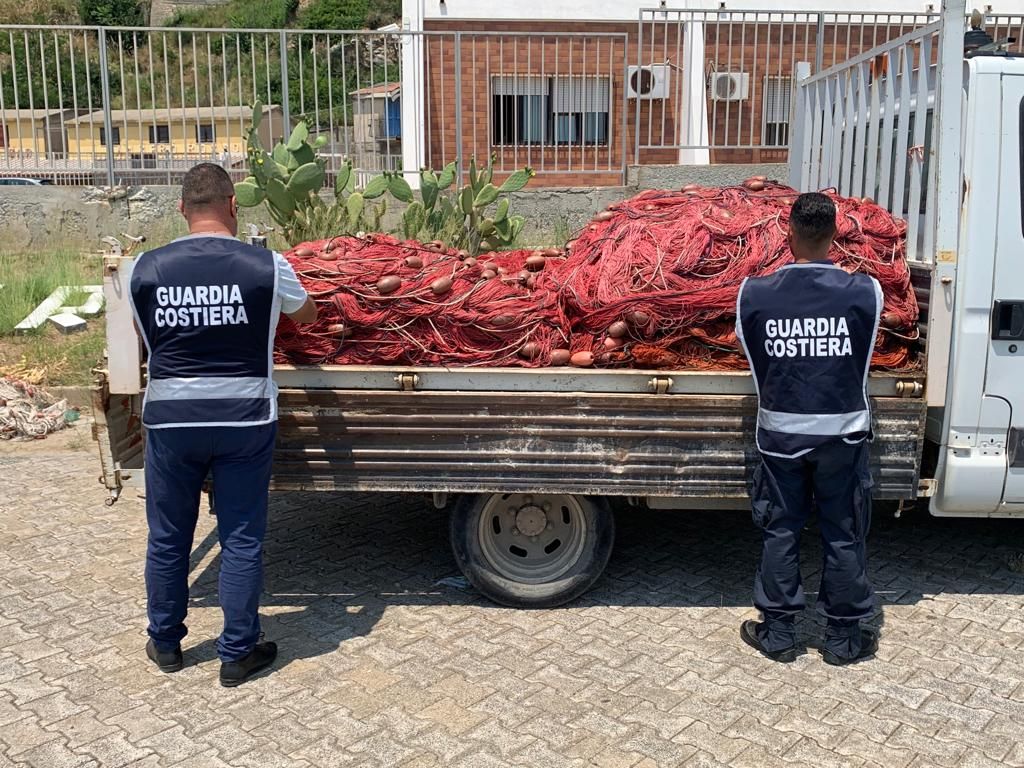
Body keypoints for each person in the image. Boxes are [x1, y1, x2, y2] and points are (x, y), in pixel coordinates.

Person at [129, 163, 317, 686]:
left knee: (168, 537)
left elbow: (139, 338)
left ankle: (165, 643)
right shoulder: (266, 264)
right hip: (245, 420)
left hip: (170, 423)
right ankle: (237, 655)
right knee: (240, 537)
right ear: (235, 206)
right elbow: (307, 317)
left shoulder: (144, 269)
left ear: (181, 209)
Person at [735, 192, 882, 666]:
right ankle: (841, 641)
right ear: (835, 233)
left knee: (782, 530)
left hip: (780, 439)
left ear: (788, 231)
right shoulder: (865, 292)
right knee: (843, 532)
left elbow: (749, 352)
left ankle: (778, 634)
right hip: (844, 437)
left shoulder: (754, 294)